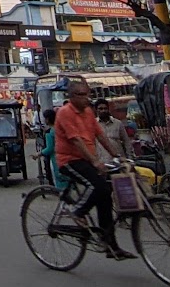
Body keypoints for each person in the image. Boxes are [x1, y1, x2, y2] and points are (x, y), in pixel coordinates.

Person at [54, 80, 135, 260]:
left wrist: (116, 156)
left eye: (87, 94)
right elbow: (76, 140)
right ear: (72, 96)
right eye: (81, 95)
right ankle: (77, 211)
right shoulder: (64, 113)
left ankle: (110, 245)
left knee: (105, 197)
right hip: (70, 160)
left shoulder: (88, 112)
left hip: (87, 159)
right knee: (99, 187)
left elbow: (100, 135)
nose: (86, 99)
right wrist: (95, 161)